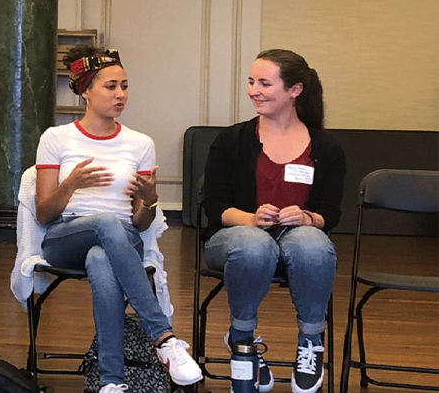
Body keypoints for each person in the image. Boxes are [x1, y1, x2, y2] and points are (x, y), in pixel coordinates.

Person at [33, 45, 201, 393]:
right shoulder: (56, 138)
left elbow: (139, 223)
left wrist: (152, 201)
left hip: (123, 238)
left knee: (102, 255)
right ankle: (164, 338)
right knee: (107, 224)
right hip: (66, 236)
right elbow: (44, 213)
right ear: (84, 90)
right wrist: (71, 185)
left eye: (124, 85)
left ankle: (111, 383)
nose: (120, 94)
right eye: (111, 86)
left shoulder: (140, 143)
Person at [202, 49, 344, 393]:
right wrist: (250, 219)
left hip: (296, 239)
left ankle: (311, 342)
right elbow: (214, 206)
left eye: (265, 83)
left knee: (311, 243)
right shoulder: (231, 141)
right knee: (254, 244)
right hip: (235, 238)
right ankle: (242, 339)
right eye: (251, 82)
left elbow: (332, 212)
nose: (254, 90)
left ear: (295, 90)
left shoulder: (326, 147)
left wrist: (308, 217)